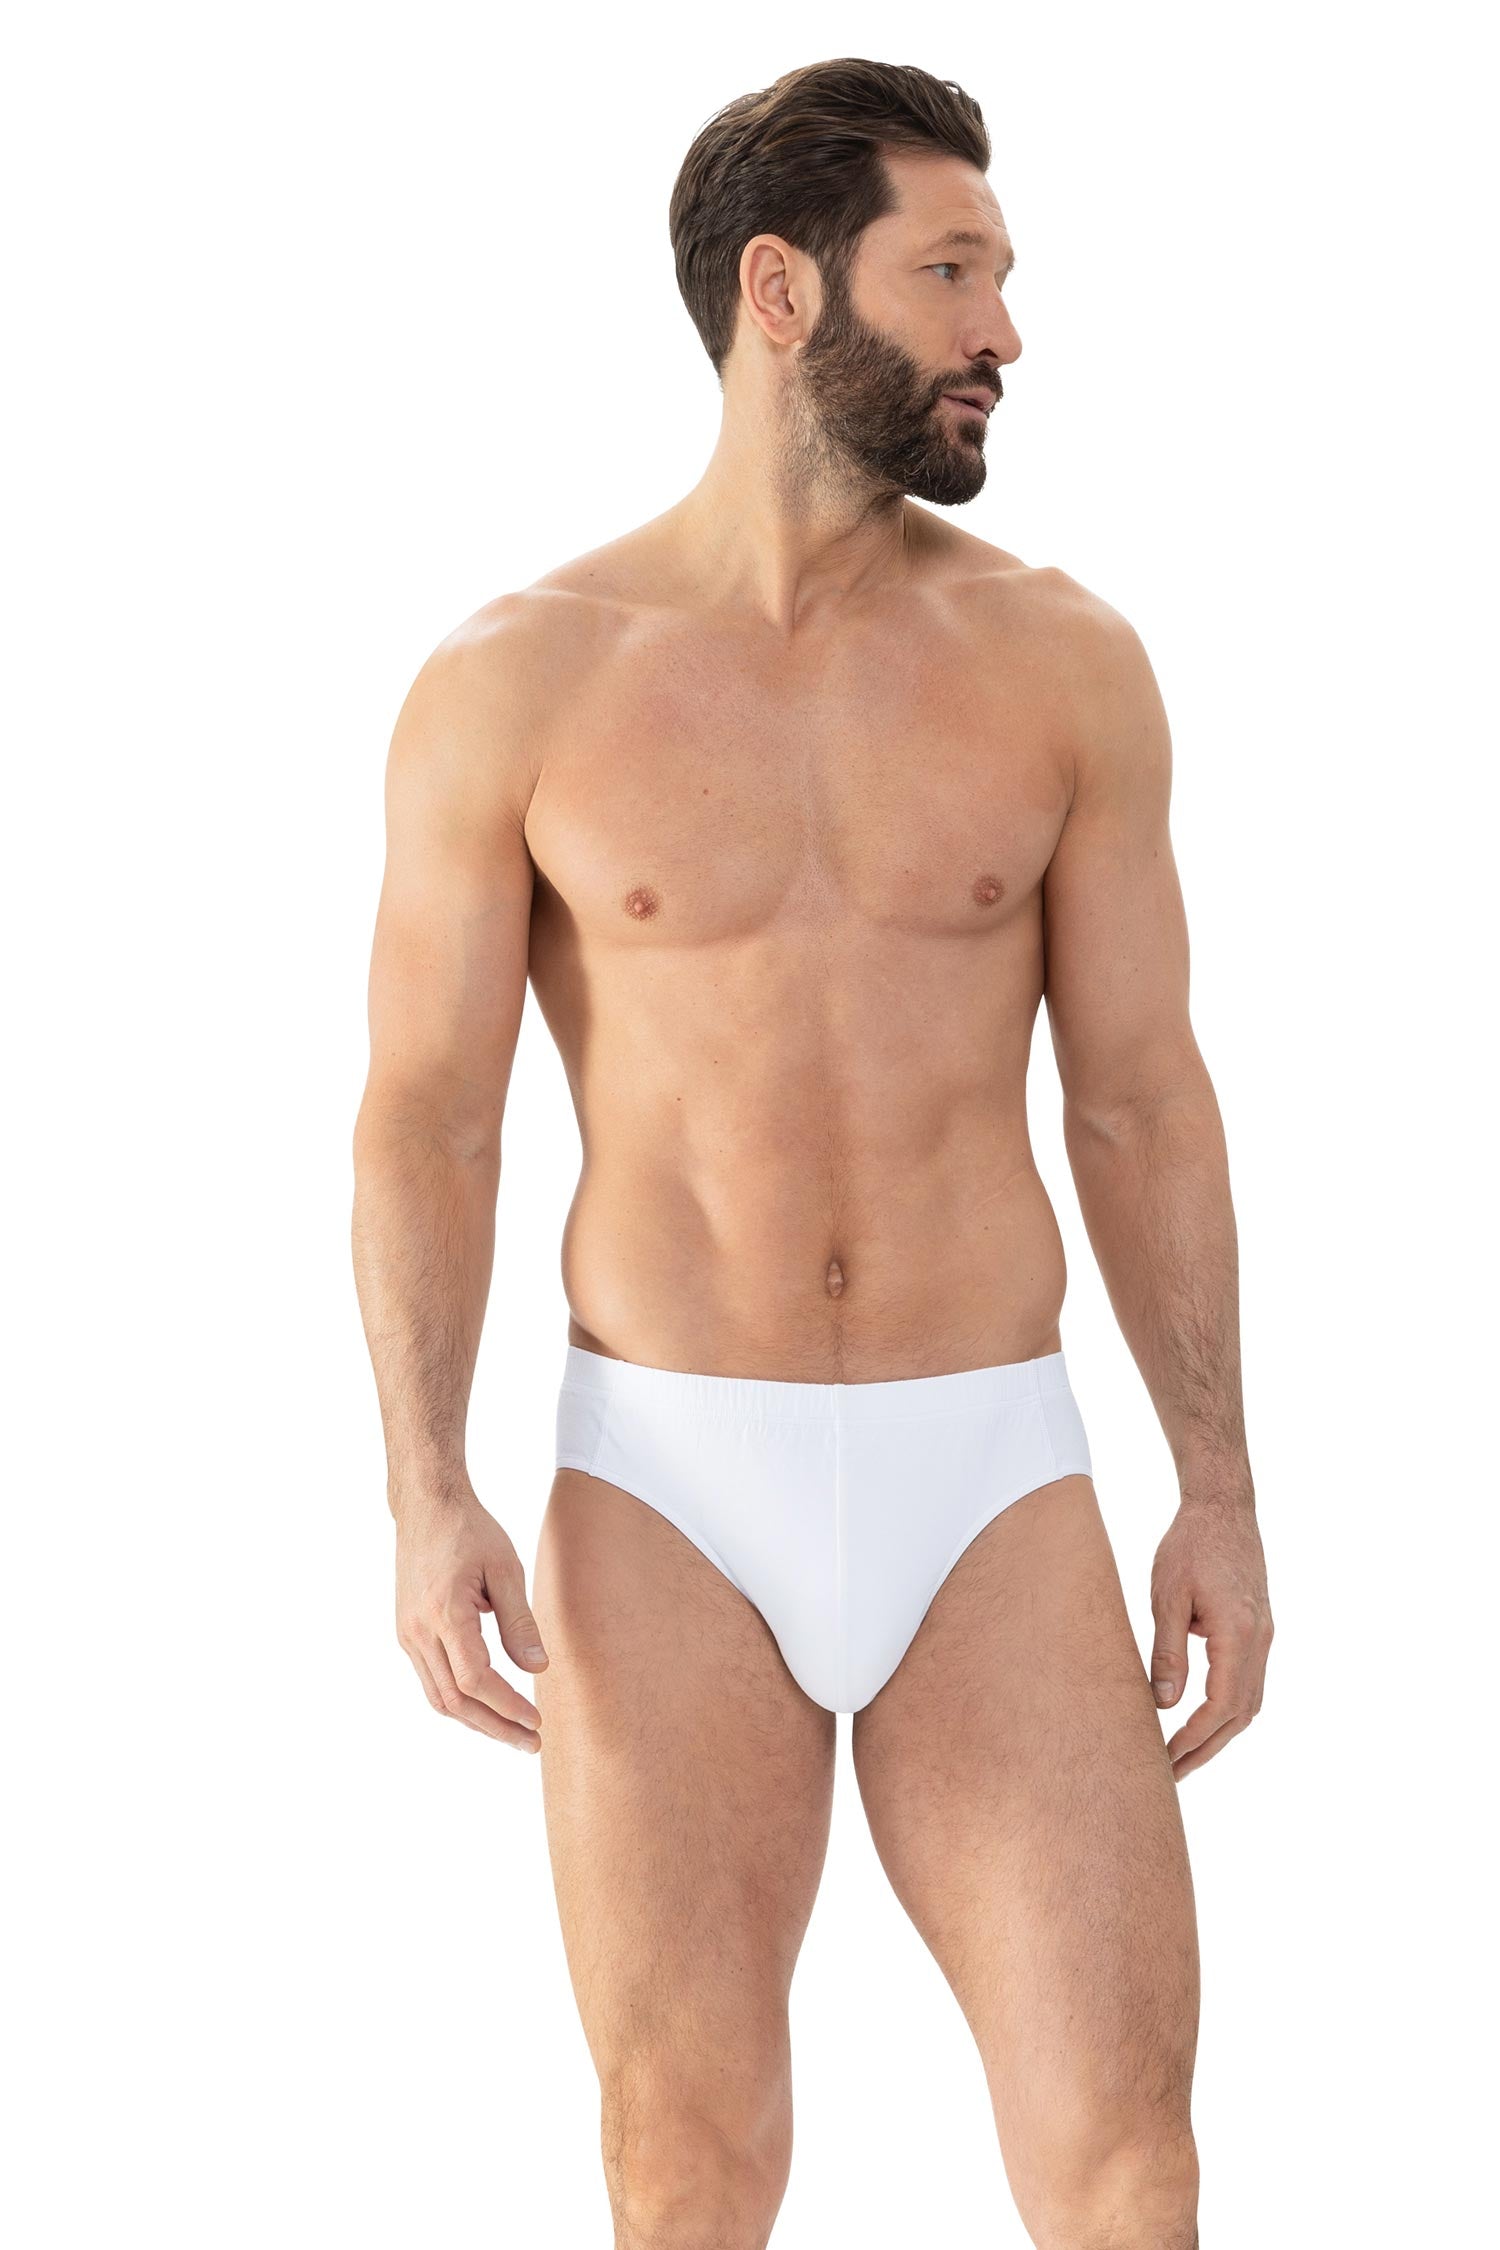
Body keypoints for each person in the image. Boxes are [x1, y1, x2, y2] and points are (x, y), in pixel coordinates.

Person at [351, 55, 1272, 2250]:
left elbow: (1141, 1097)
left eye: (1002, 275)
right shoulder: (519, 683)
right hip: (670, 1474)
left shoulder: (1064, 662)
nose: (1003, 331)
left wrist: (1219, 1489)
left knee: (1127, 2158)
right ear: (783, 292)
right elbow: (429, 1116)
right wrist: (423, 1485)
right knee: (689, 2166)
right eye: (951, 272)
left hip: (991, 1467)